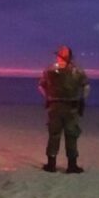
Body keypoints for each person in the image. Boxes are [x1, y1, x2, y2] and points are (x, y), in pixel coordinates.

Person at [38, 44, 90, 173]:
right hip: (70, 107)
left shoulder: (49, 70)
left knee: (55, 134)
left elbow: (40, 86)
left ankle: (51, 164)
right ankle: (71, 165)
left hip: (55, 106)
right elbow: (86, 87)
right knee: (70, 135)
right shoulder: (77, 71)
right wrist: (82, 99)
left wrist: (48, 97)